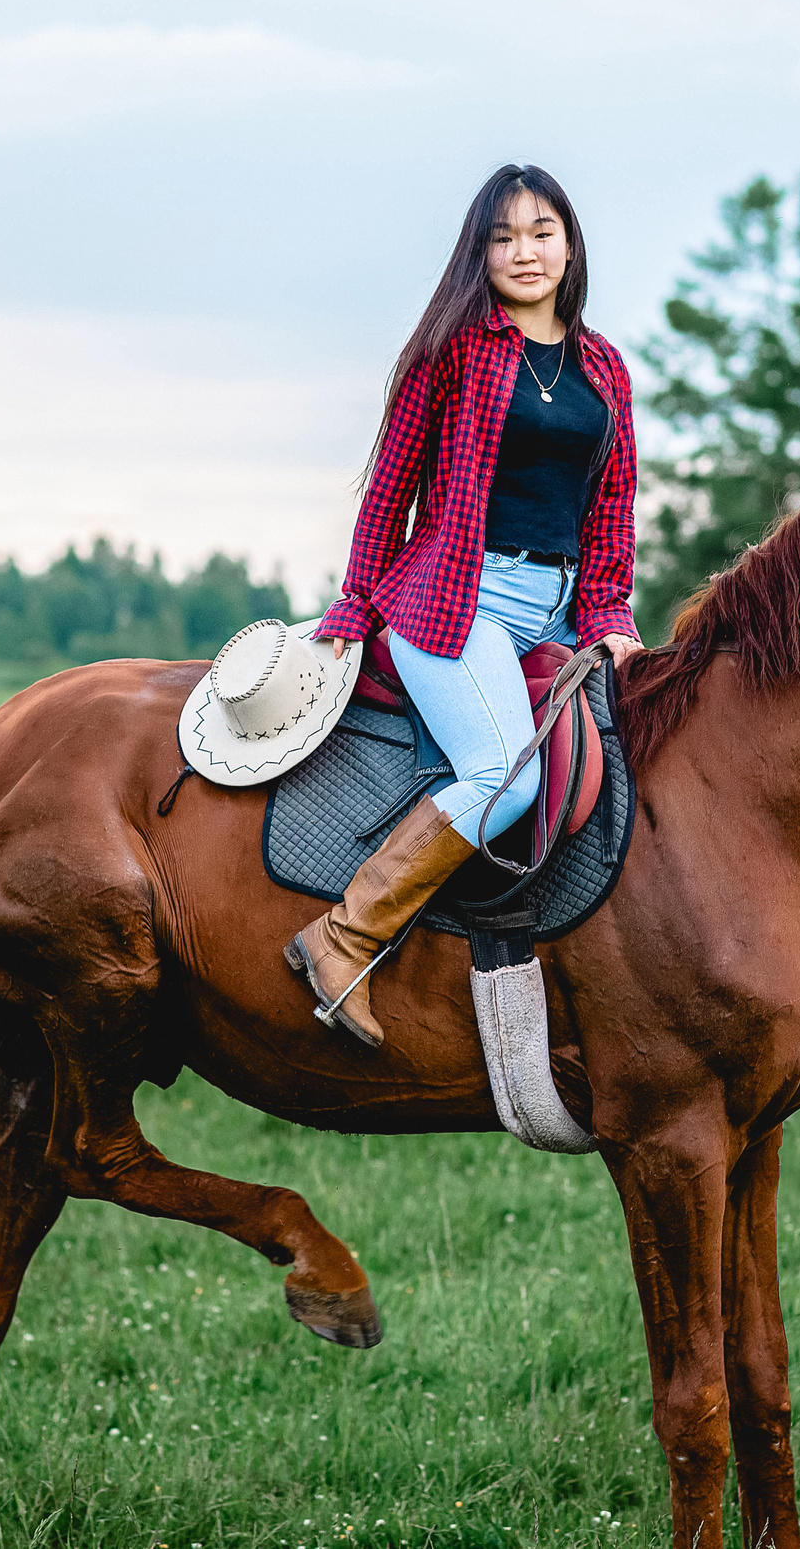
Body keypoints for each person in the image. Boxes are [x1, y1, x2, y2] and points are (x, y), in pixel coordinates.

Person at [286, 164, 641, 1046]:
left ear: (570, 242)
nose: (526, 252)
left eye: (541, 232)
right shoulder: (456, 349)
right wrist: (353, 605)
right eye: (504, 237)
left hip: (560, 609)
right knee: (505, 773)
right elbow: (391, 487)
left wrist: (610, 618)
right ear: (479, 253)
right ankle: (345, 933)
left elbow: (611, 510)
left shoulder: (603, 368)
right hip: (456, 597)